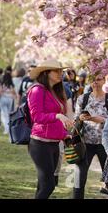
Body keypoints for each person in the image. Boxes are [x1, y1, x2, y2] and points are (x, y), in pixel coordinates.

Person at [27, 60, 74, 199]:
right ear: (46, 73)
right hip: (40, 144)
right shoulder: (37, 90)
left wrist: (65, 134)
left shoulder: (55, 91)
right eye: (57, 71)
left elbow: (58, 120)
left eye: (61, 71)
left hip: (54, 143)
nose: (61, 74)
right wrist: (57, 115)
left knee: (44, 185)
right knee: (49, 185)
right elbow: (37, 116)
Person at [72, 74, 108, 199]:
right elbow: (75, 119)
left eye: (98, 79)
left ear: (104, 80)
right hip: (85, 143)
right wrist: (80, 118)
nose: (95, 83)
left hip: (106, 144)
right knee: (79, 178)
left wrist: (101, 119)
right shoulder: (83, 98)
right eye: (93, 80)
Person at [0, 71, 17, 135]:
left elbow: (0, 92)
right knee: (8, 115)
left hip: (3, 99)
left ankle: (7, 129)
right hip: (10, 99)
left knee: (3, 115)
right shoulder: (11, 84)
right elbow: (14, 93)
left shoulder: (2, 83)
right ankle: (9, 128)